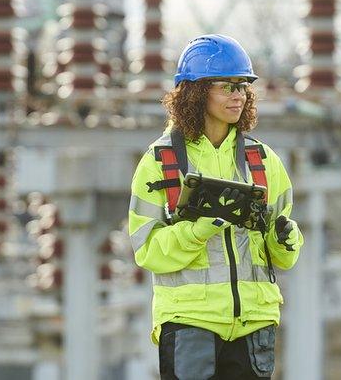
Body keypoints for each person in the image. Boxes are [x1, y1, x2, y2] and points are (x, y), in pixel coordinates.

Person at [129, 34, 303, 379]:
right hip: (189, 320)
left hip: (254, 321)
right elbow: (147, 250)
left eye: (242, 86)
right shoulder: (161, 161)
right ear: (195, 91)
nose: (238, 95)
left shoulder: (264, 161)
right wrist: (197, 231)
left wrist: (285, 237)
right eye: (226, 86)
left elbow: (284, 257)